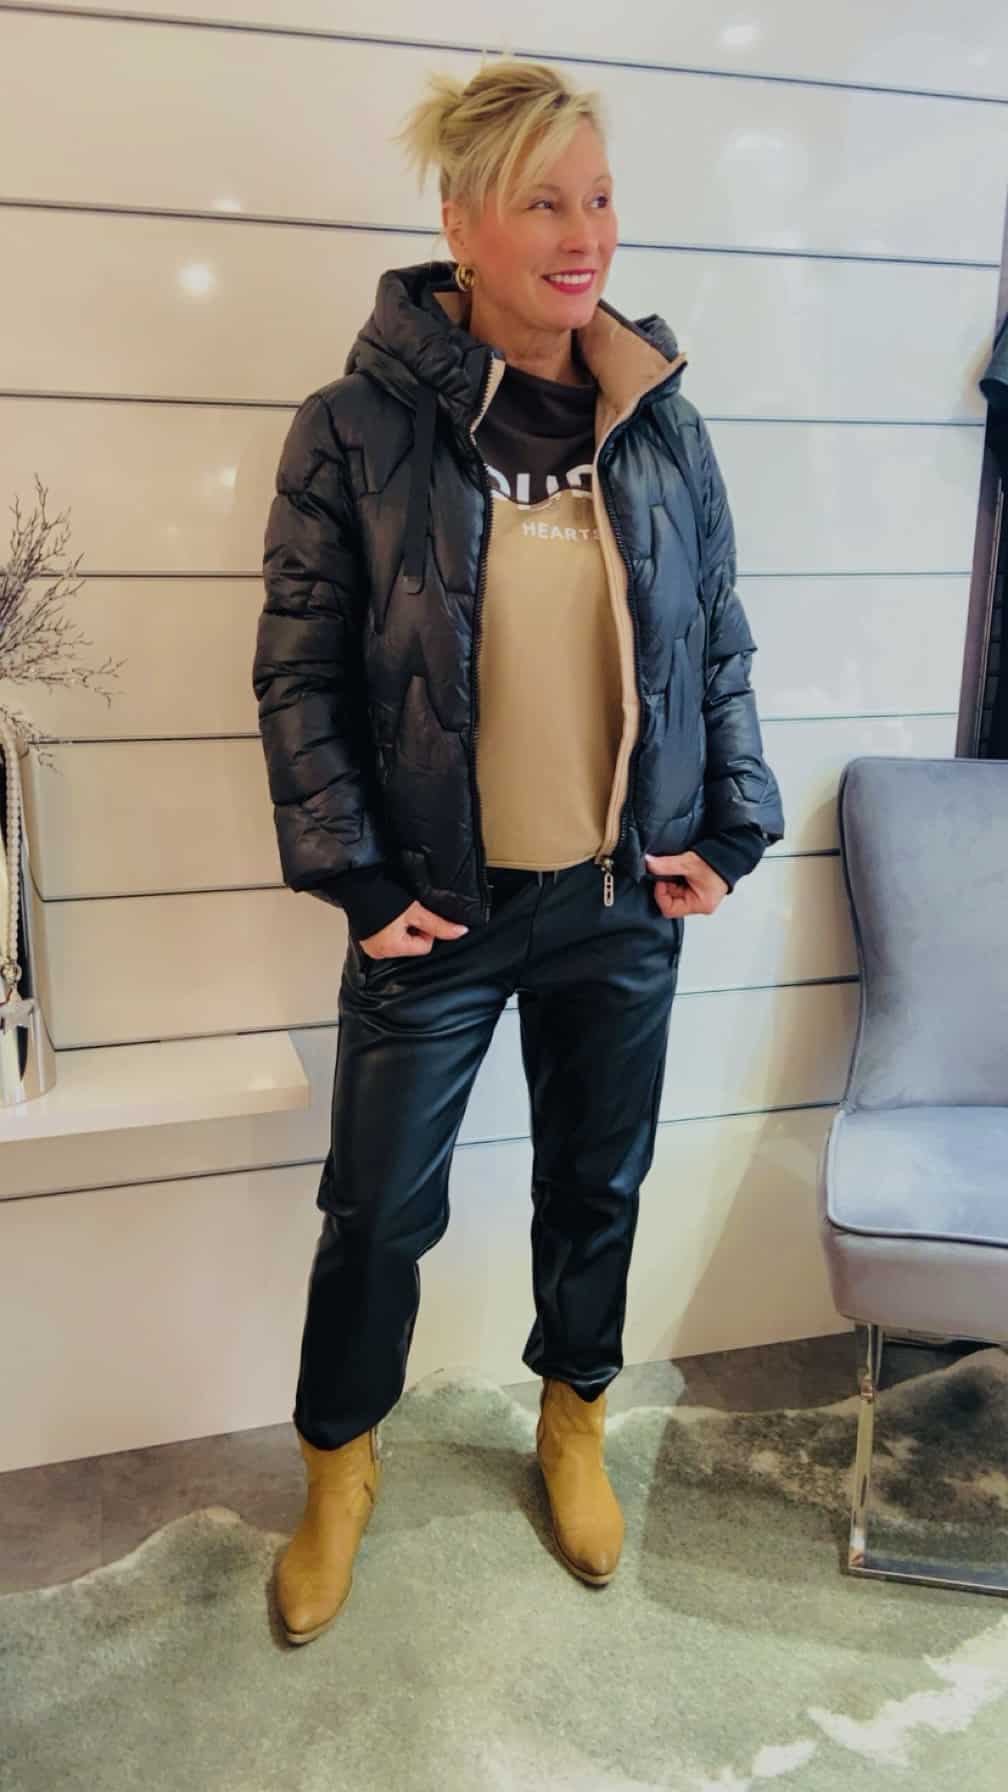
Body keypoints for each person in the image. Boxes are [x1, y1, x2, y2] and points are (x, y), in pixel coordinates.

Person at [252, 59, 784, 1648]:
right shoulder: (354, 430)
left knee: (595, 1187)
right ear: (461, 222)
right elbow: (299, 673)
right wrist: (360, 883)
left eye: (600, 196)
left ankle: (572, 1422)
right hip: (439, 910)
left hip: (621, 900)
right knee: (377, 1213)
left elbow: (717, 639)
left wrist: (731, 826)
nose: (583, 233)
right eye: (544, 201)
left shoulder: (660, 423)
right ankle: (338, 1465)